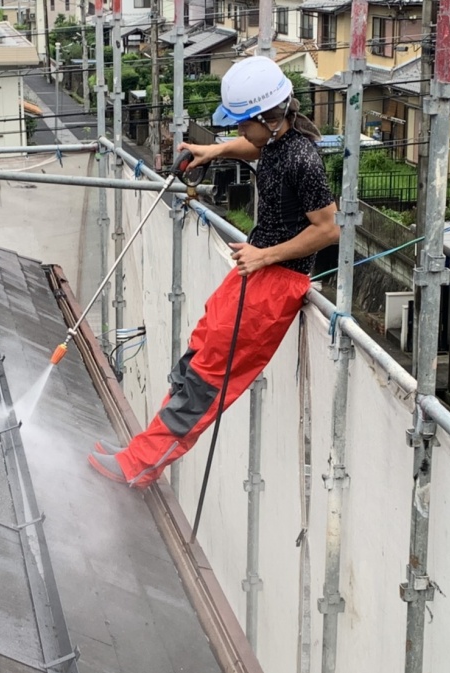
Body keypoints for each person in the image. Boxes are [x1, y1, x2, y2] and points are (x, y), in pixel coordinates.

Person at [88, 55, 340, 489]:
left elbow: (328, 230)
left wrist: (265, 256)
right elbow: (257, 148)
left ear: (266, 116)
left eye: (243, 124)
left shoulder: (304, 160)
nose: (239, 132)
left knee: (207, 378)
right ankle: (140, 451)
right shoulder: (279, 138)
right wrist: (215, 149)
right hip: (255, 270)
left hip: (276, 283)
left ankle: (140, 466)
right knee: (197, 355)